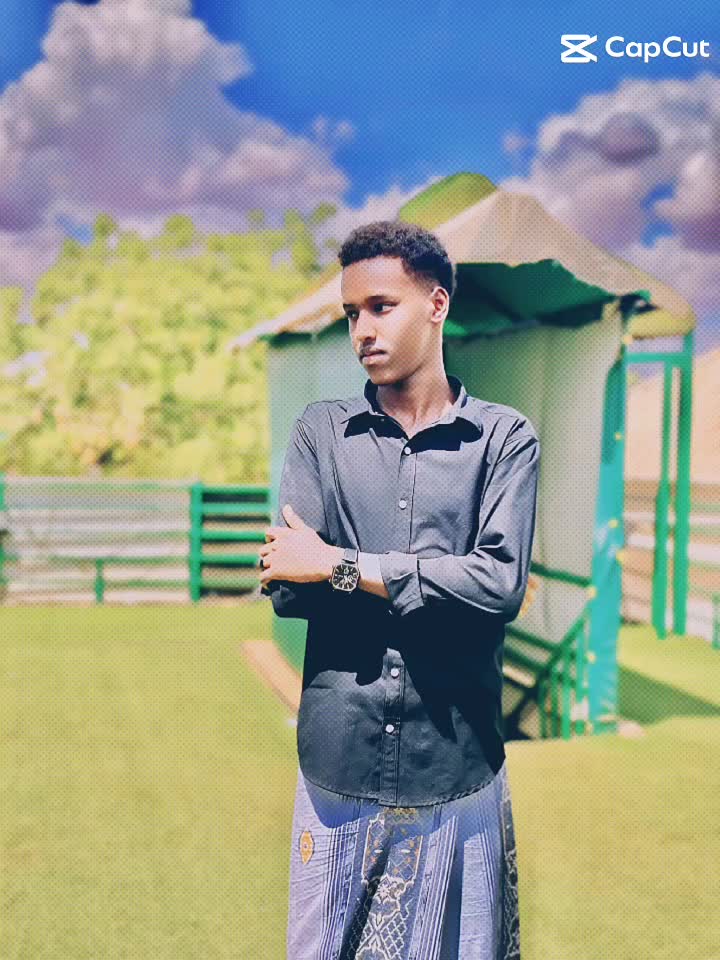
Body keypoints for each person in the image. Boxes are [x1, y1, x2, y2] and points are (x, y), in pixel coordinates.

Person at [259, 220, 540, 959]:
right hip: (338, 766)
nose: (362, 330)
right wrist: (438, 583)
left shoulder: (503, 441)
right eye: (352, 313)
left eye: (381, 307)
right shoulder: (321, 434)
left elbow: (498, 585)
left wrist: (339, 565)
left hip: (457, 766)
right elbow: (288, 587)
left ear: (437, 304)